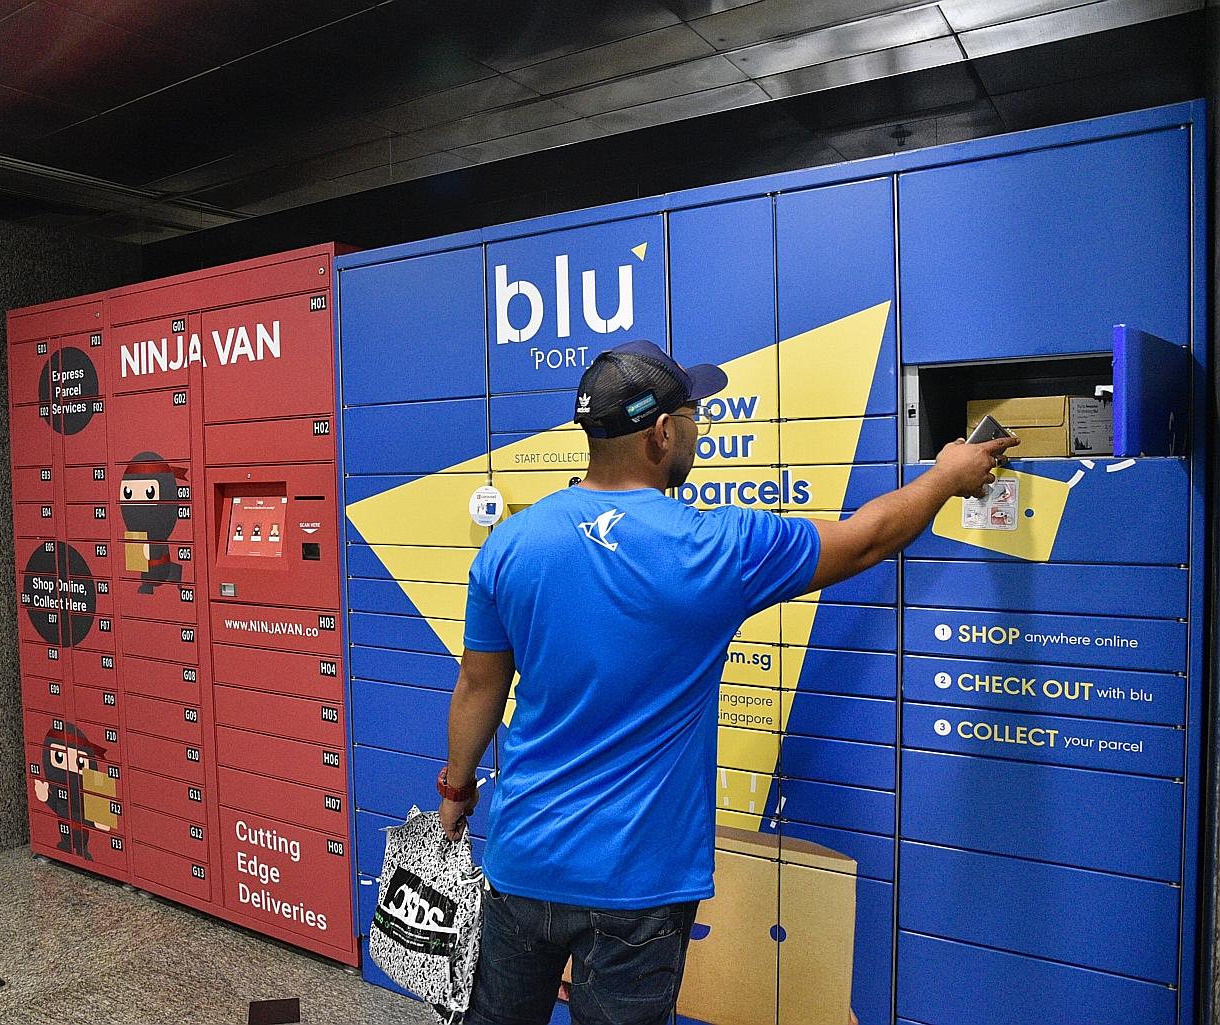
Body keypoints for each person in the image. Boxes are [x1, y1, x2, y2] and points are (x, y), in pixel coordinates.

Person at [435, 340, 1016, 1025]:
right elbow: (866, 538)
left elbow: (479, 686)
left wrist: (456, 790)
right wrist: (947, 475)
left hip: (523, 860)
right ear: (660, 433)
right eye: (692, 416)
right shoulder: (715, 547)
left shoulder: (510, 543)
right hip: (638, 882)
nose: (698, 429)